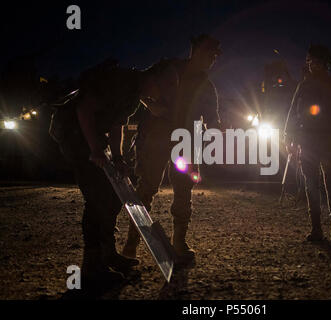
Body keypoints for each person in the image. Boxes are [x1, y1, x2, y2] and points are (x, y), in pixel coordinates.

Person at [49, 58, 178, 288]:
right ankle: (91, 267)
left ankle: (108, 254)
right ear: (154, 79)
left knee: (111, 196)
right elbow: (84, 109)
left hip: (93, 136)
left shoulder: (135, 95)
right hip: (74, 133)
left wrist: (118, 158)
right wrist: (95, 149)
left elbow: (117, 125)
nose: (166, 93)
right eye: (166, 86)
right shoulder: (122, 81)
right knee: (96, 197)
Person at [121, 34, 222, 263]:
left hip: (186, 141)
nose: (212, 60)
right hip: (157, 136)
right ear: (195, 52)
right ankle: (131, 245)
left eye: (215, 56)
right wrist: (151, 105)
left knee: (183, 190)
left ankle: (179, 244)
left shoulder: (206, 85)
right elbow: (139, 85)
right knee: (146, 188)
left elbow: (213, 120)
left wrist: (215, 134)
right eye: (209, 54)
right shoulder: (169, 69)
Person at [284, 44, 331, 243]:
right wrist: (289, 137)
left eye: (316, 61)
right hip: (308, 140)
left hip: (328, 139)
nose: (312, 64)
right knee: (312, 185)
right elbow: (293, 112)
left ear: (325, 62)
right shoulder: (304, 85)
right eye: (309, 60)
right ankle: (317, 229)